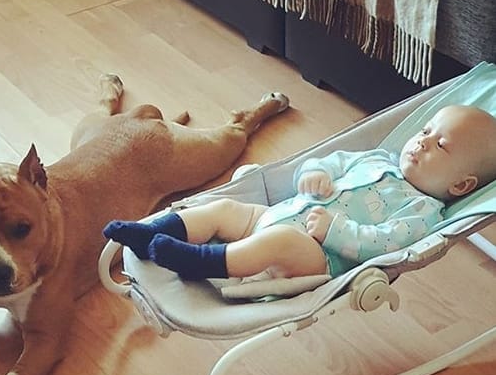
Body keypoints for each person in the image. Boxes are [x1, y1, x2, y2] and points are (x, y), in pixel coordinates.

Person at [104, 105, 496, 281]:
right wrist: (314, 174)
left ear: (461, 185)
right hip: (279, 213)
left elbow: (386, 245)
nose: (423, 141)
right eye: (425, 131)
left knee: (281, 241)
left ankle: (200, 262)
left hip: (316, 255)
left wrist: (335, 231)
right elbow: (330, 163)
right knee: (224, 208)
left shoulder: (423, 211)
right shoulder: (379, 159)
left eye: (440, 145)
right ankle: (153, 233)